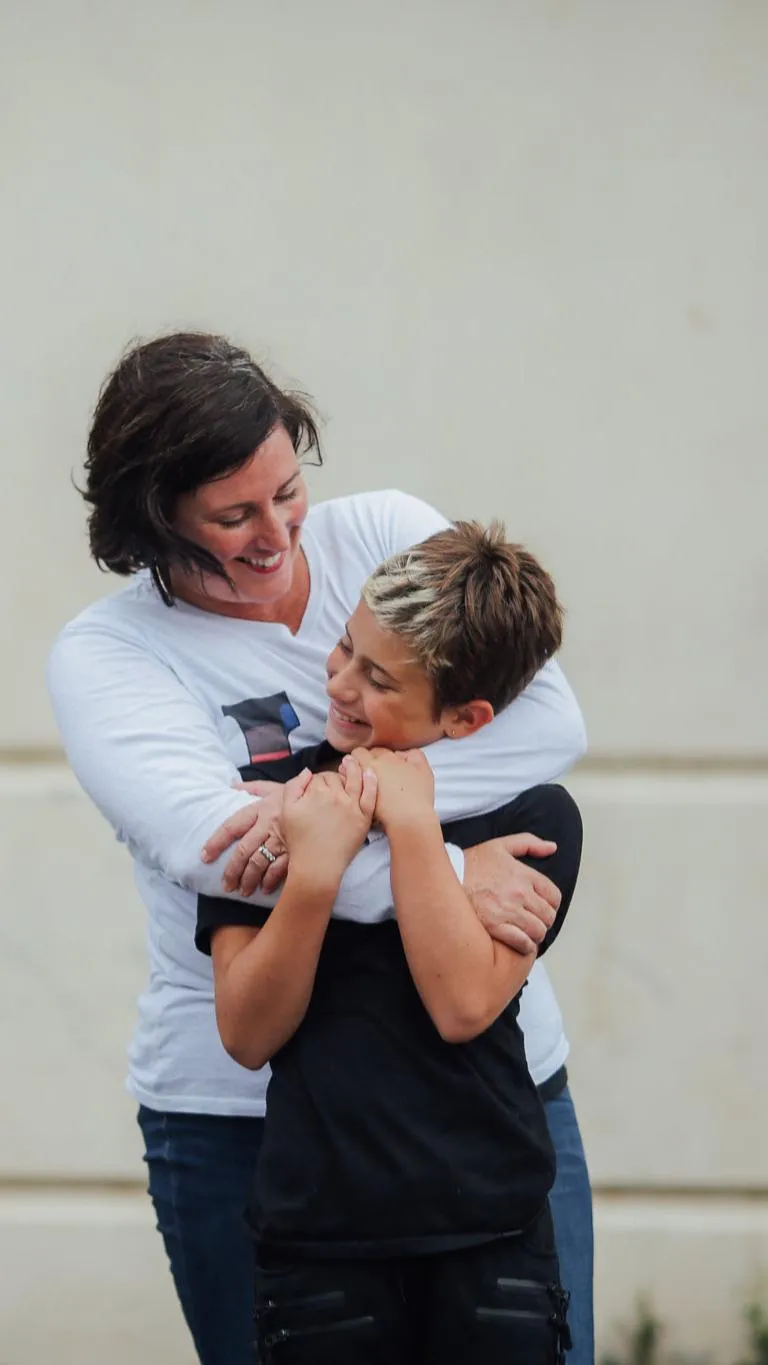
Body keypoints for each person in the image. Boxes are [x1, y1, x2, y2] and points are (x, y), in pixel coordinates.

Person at [46, 332, 592, 1365]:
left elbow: (545, 727)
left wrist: (400, 828)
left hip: (488, 1102)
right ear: (153, 518)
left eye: (286, 491)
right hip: (243, 1122)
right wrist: (438, 863)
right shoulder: (109, 657)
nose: (276, 534)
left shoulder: (384, 529)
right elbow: (219, 851)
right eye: (232, 515)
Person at [197, 522, 582, 1363]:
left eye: (378, 679)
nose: (337, 683)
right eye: (344, 649)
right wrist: (314, 875)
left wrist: (411, 826)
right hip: (320, 1243)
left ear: (465, 716)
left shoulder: (535, 817)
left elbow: (463, 1003)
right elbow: (247, 1031)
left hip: (492, 1233)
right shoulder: (273, 799)